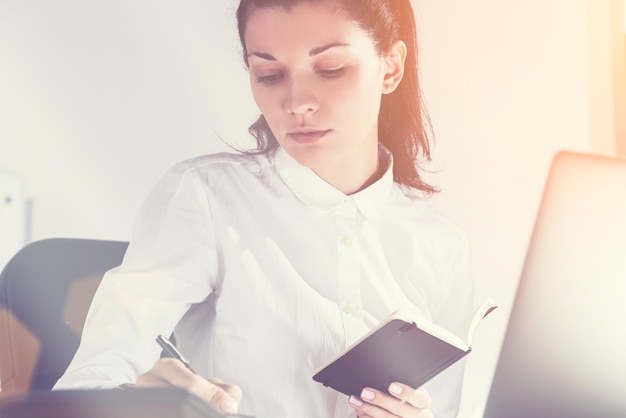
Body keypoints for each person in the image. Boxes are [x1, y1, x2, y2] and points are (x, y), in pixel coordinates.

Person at [54, 0, 475, 417]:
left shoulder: (440, 244)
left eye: (330, 69)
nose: (296, 102)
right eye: (269, 74)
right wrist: (139, 403)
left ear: (391, 67)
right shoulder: (206, 197)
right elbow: (86, 386)